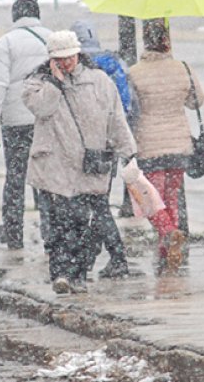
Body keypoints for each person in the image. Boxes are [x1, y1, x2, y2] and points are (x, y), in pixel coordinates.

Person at [23, 30, 136, 294]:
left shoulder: (99, 81)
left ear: (78, 54)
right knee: (62, 224)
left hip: (91, 164)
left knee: (92, 223)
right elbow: (42, 109)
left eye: (69, 57)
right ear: (50, 59)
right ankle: (61, 273)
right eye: (59, 59)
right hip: (56, 167)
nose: (66, 63)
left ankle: (80, 271)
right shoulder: (37, 84)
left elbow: (116, 118)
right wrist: (55, 82)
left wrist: (128, 151)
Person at [127, 19, 204, 275]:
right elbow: (197, 101)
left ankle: (168, 232)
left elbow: (131, 109)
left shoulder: (134, 72)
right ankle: (167, 249)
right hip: (179, 145)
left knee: (150, 200)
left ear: (145, 43)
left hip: (149, 145)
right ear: (166, 42)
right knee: (171, 197)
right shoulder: (182, 68)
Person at [0, 0, 52, 250]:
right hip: (45, 119)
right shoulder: (52, 39)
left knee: (15, 177)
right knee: (45, 177)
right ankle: (50, 232)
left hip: (15, 122)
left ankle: (13, 231)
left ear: (15, 16)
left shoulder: (6, 43)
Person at [69, 20, 134, 278]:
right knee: (99, 201)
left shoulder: (80, 68)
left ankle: (111, 257)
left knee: (94, 204)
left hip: (87, 144)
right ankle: (94, 257)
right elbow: (126, 105)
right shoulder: (113, 63)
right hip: (110, 143)